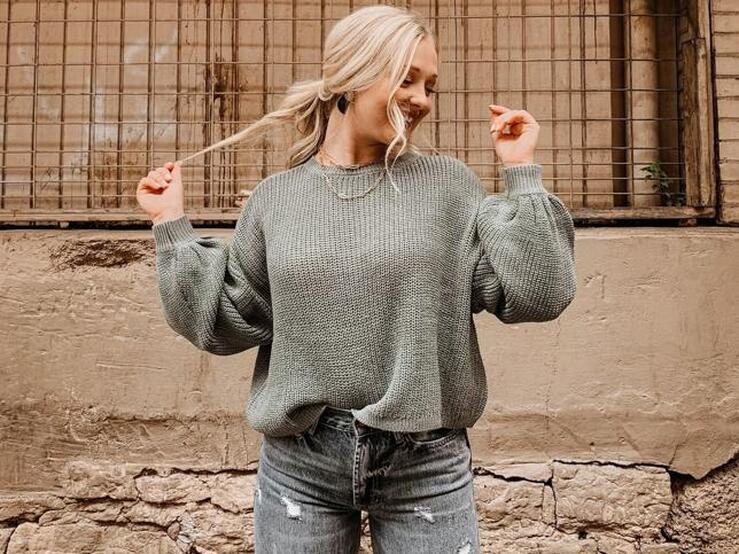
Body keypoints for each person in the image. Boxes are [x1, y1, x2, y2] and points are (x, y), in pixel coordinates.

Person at [136, 5, 576, 553]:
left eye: (430, 86)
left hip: (426, 459)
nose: (421, 99)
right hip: (301, 462)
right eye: (407, 79)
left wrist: (522, 173)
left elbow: (539, 294)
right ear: (351, 77)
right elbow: (228, 321)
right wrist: (171, 227)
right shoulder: (277, 198)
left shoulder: (448, 186)